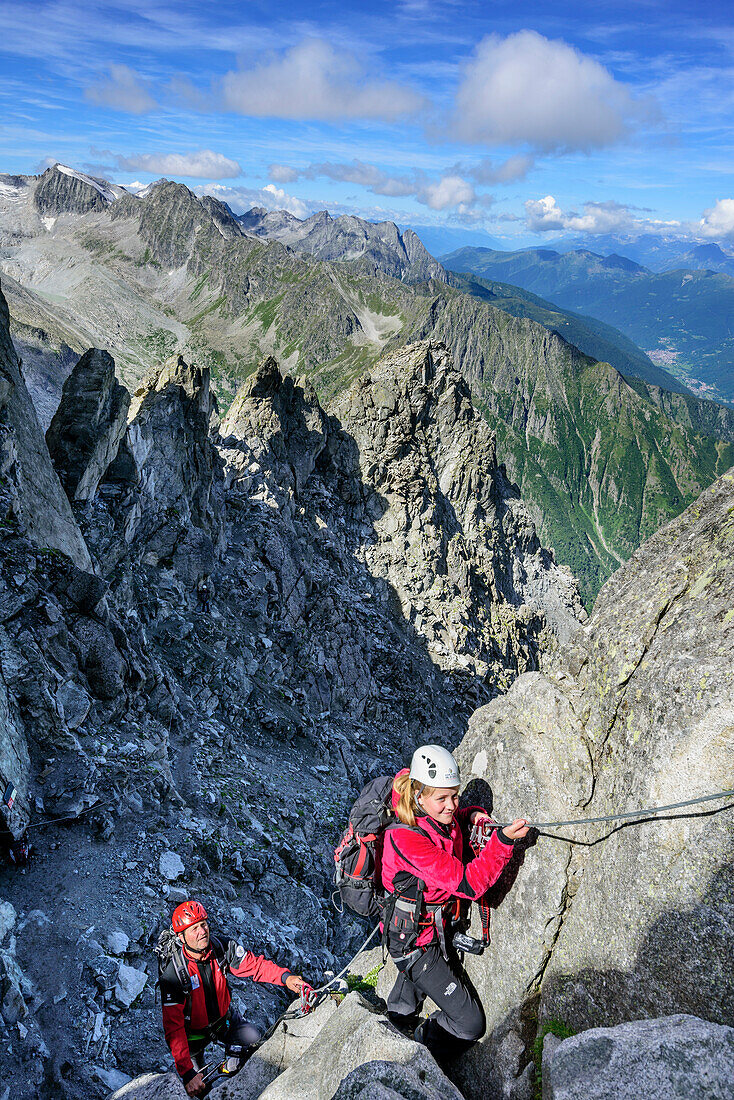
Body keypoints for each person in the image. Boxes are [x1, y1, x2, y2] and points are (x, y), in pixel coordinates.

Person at [380, 745, 529, 1064]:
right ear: (419, 797)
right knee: (470, 1024)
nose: (451, 805)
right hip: (416, 944)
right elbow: (469, 884)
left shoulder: (430, 811)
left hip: (425, 928)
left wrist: (470, 814)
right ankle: (418, 1051)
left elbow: (449, 821)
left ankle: (398, 1021)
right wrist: (502, 843)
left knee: (404, 1005)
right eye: (442, 799)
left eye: (455, 796)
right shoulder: (406, 839)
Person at [160, 900, 306, 1096]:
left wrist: (285, 978)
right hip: (192, 1036)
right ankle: (221, 1073)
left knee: (254, 1040)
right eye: (194, 928)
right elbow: (174, 1029)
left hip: (225, 1021)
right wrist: (187, 1073)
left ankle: (231, 1066)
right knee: (200, 1089)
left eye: (203, 924)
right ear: (181, 937)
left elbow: (256, 966)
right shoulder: (174, 974)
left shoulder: (222, 948)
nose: (202, 931)